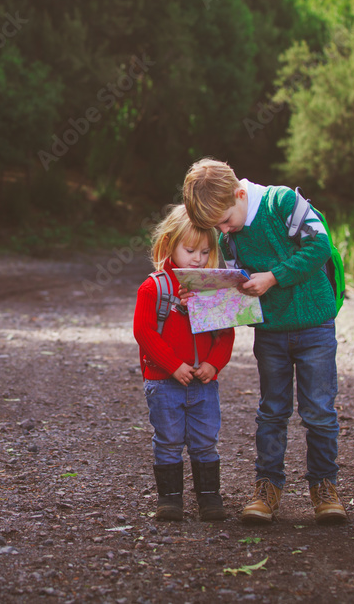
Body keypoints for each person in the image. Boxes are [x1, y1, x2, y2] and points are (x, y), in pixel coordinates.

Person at [182, 157, 347, 525]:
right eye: (218, 226)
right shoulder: (229, 234)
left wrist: (273, 277)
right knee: (271, 411)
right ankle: (267, 487)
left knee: (319, 410)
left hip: (315, 326)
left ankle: (324, 486)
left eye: (226, 220)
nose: (224, 230)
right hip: (270, 332)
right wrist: (204, 298)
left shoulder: (283, 202)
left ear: (240, 194)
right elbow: (236, 288)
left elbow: (319, 246)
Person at [133, 204, 235, 522]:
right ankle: (170, 499)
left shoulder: (212, 289)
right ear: (169, 244)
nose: (198, 259)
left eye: (205, 252)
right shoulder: (154, 288)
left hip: (203, 382)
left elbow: (225, 333)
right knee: (168, 439)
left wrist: (213, 365)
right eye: (190, 251)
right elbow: (144, 331)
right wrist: (173, 365)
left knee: (205, 440)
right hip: (164, 381)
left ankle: (209, 497)